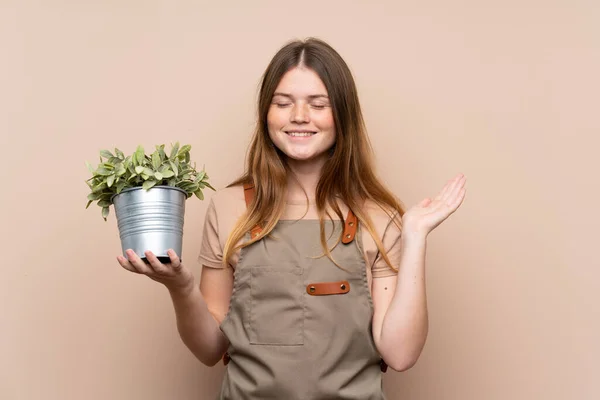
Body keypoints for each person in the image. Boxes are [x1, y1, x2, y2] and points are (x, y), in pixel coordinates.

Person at [117, 37, 466, 399]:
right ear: (266, 112)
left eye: (318, 104)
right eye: (283, 103)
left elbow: (401, 353)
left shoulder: (379, 216)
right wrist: (181, 287)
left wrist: (415, 237)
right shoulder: (230, 208)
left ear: (342, 115)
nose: (299, 116)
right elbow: (209, 349)